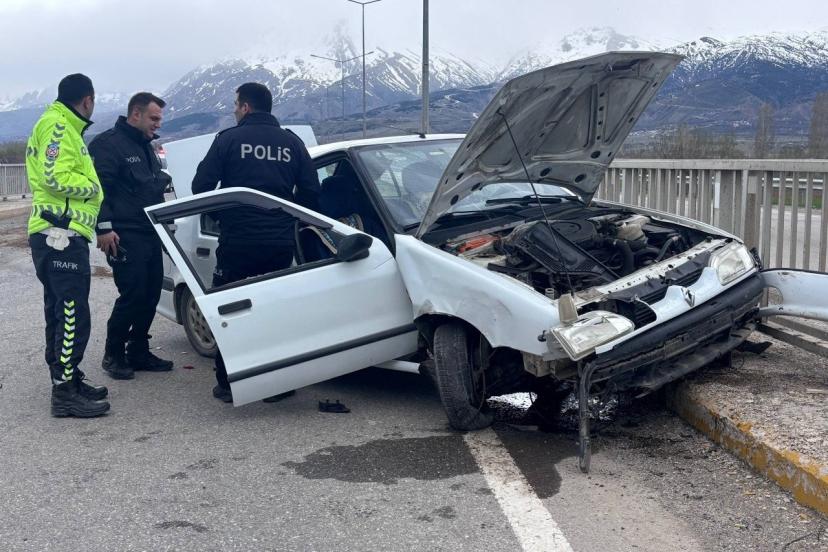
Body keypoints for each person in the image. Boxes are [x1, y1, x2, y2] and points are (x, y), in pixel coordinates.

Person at [191, 82, 321, 403]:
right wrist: (288, 219)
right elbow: (311, 193)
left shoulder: (228, 140)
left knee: (231, 311)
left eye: (236, 106)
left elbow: (200, 187)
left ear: (246, 107)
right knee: (274, 310)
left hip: (238, 241)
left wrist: (225, 217)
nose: (235, 111)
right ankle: (276, 385)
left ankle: (229, 384)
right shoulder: (292, 143)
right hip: (279, 243)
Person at [26, 73, 110, 417]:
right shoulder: (59, 126)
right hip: (59, 233)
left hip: (58, 233)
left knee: (60, 310)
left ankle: (68, 379)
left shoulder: (63, 126)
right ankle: (63, 392)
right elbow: (55, 176)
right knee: (73, 312)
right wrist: (93, 187)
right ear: (88, 100)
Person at [89, 93, 173, 380]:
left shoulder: (146, 146)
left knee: (151, 293)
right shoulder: (108, 145)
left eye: (159, 119)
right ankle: (113, 355)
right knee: (133, 294)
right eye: (154, 118)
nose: (158, 124)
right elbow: (98, 190)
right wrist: (103, 228)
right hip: (123, 234)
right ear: (135, 114)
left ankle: (138, 351)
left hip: (149, 231)